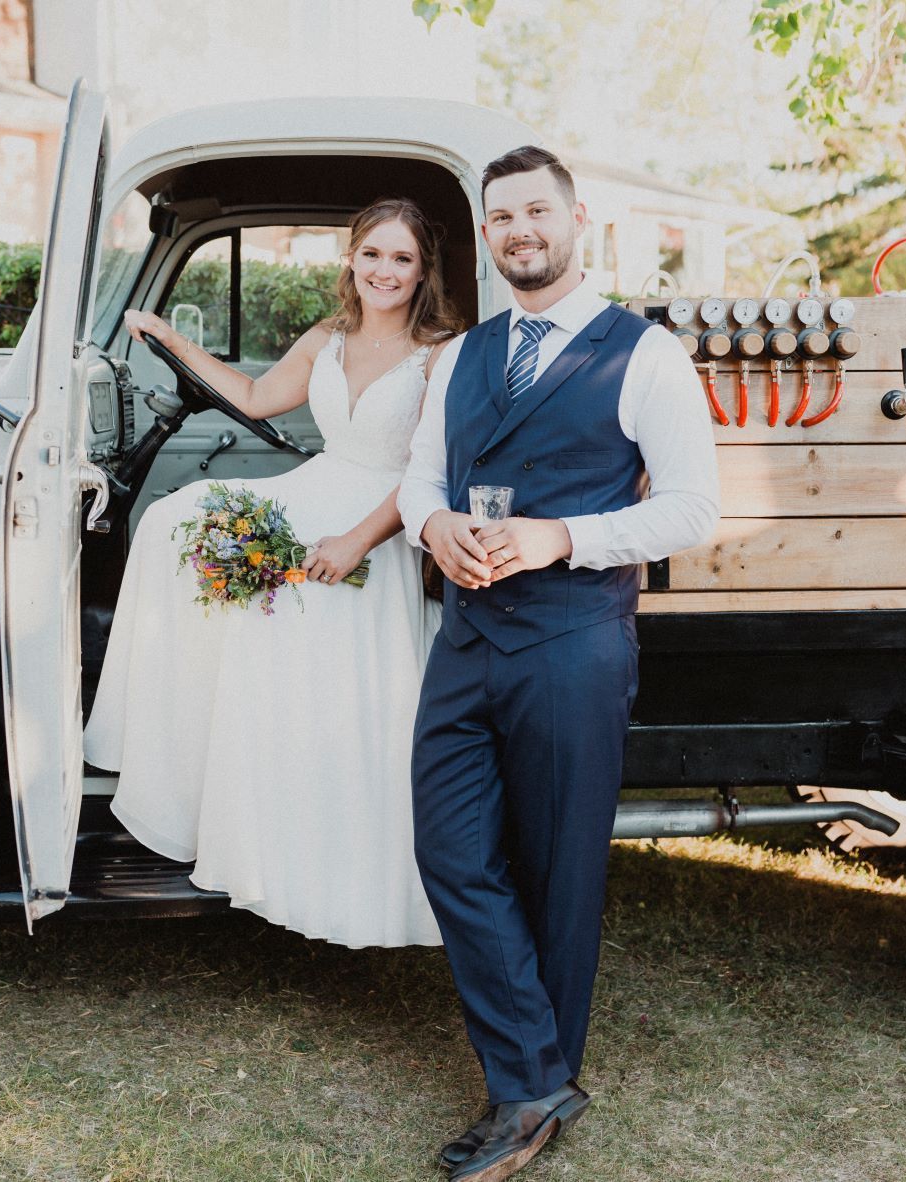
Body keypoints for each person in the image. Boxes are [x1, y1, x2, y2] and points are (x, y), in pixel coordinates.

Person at [398, 147, 720, 1181]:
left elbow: (691, 509)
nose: (520, 230)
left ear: (579, 220)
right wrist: (434, 523)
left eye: (538, 210)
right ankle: (537, 1076)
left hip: (573, 645)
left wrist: (558, 539)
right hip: (466, 642)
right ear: (486, 234)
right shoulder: (462, 355)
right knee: (450, 851)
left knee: (558, 873)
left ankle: (528, 1089)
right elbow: (418, 480)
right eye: (501, 217)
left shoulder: (645, 355)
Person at [84, 197, 460, 949]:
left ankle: (335, 853)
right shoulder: (328, 335)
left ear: (423, 273)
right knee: (172, 520)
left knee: (291, 618)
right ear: (350, 260)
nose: (384, 270)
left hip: (384, 514)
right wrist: (167, 338)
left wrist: (356, 540)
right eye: (372, 254)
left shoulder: (444, 351)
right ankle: (195, 779)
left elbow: (432, 468)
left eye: (401, 259)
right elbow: (255, 397)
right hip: (318, 485)